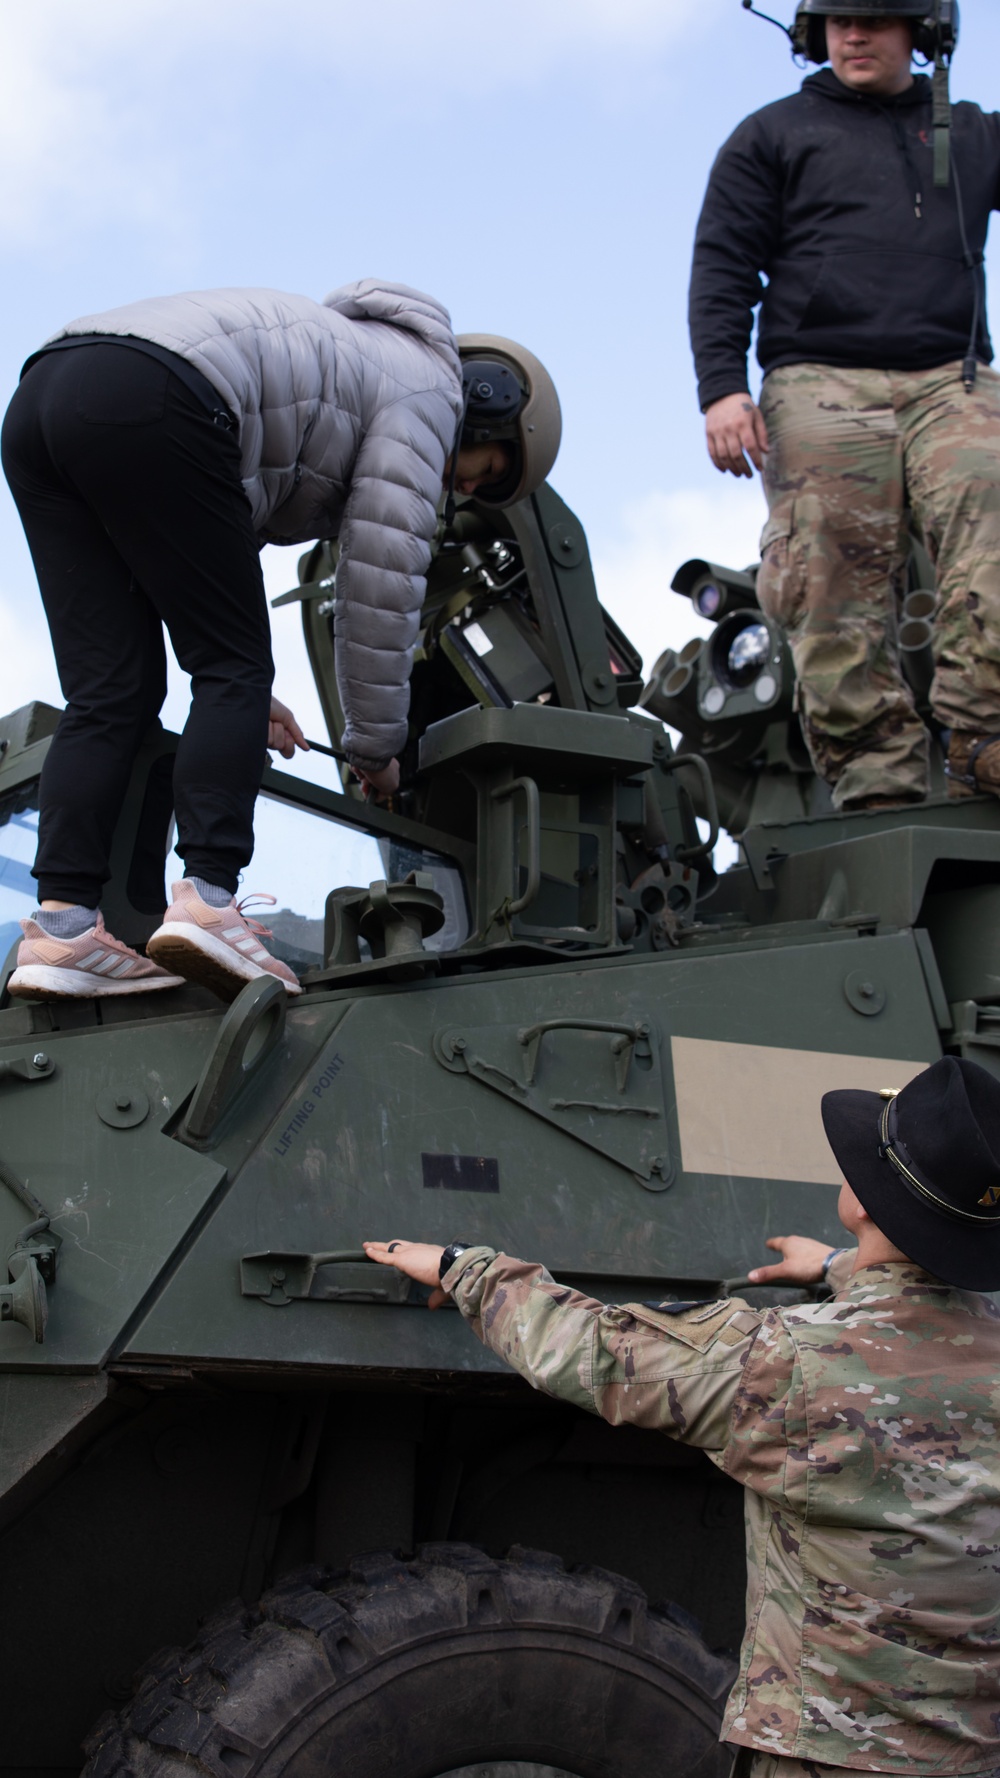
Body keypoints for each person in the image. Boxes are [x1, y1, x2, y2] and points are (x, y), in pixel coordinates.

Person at [364, 1054, 1000, 1776]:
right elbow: (920, 1311)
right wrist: (837, 1266)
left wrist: (461, 1266)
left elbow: (592, 1352)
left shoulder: (786, 1365)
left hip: (835, 1758)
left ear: (861, 1203)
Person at [1, 282, 560, 1001]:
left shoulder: (351, 362)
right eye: (485, 473)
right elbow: (377, 591)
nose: (461, 484)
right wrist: (375, 749)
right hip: (156, 394)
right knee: (229, 666)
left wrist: (251, 698)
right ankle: (207, 900)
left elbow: (190, 558)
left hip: (45, 397)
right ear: (492, 406)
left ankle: (63, 927)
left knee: (112, 690)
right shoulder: (429, 400)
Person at [689, 2, 1000, 812]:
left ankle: (982, 736)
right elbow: (723, 262)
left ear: (924, 32)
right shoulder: (773, 135)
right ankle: (876, 785)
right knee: (823, 572)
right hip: (819, 377)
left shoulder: (970, 135)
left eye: (877, 19)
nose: (854, 36)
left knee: (993, 499)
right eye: (837, 21)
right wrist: (722, 386)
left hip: (948, 376)